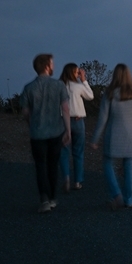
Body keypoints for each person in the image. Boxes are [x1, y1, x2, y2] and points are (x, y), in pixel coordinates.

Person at [91, 64, 132, 210]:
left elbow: (102, 119)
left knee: (107, 164)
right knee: (128, 165)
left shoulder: (109, 93)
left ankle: (116, 194)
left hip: (113, 137)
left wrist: (95, 138)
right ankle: (129, 200)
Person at [20, 53, 71, 213]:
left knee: (40, 165)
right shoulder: (59, 86)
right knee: (52, 165)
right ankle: (53, 197)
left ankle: (44, 198)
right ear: (47, 66)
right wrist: (68, 130)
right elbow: (65, 109)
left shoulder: (29, 88)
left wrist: (32, 124)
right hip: (55, 131)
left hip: (37, 133)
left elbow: (25, 112)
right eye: (52, 63)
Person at [57, 63, 94, 193]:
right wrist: (83, 80)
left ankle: (66, 177)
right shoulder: (78, 86)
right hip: (78, 121)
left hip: (62, 121)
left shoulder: (58, 86)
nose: (78, 74)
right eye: (77, 72)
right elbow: (90, 96)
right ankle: (77, 181)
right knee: (78, 152)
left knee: (64, 151)